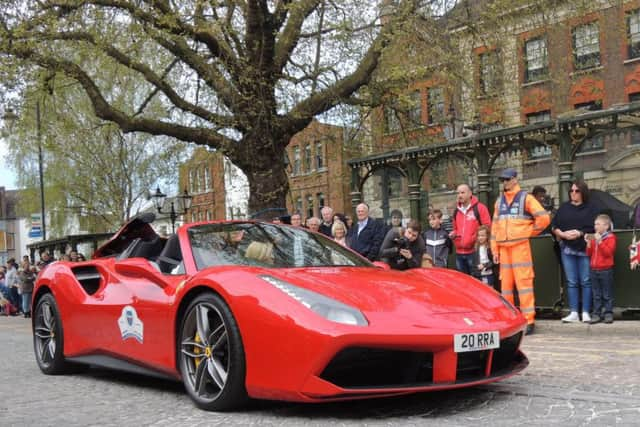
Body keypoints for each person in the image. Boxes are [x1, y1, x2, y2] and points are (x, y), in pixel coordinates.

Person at [491, 168, 550, 335]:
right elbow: (495, 227)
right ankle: (510, 320)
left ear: (515, 180)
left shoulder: (526, 198)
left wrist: (528, 233)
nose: (505, 183)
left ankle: (529, 320)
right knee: (506, 287)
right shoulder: (499, 201)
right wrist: (494, 249)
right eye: (503, 180)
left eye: (507, 179)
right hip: (504, 249)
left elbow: (544, 218)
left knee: (524, 284)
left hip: (519, 247)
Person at [552, 179, 599, 324]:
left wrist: (580, 233)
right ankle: (573, 312)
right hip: (567, 248)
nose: (573, 193)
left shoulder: (592, 208)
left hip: (585, 248)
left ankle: (585, 312)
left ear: (583, 192)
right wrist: (562, 234)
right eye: (571, 191)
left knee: (585, 281)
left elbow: (596, 229)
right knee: (571, 281)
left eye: (576, 191)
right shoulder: (564, 208)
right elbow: (553, 225)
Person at [450, 184, 491, 275]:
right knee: (463, 281)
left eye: (462, 192)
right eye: (458, 193)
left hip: (475, 252)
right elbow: (455, 229)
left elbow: (487, 227)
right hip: (459, 253)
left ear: (470, 193)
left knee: (476, 280)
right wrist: (454, 234)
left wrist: (473, 238)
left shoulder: (480, 208)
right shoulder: (456, 210)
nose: (459, 195)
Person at [585, 214, 617, 324]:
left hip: (606, 270)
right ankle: (596, 314)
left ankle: (608, 313)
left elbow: (608, 253)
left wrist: (600, 242)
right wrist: (589, 243)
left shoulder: (611, 237)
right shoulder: (594, 237)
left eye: (598, 224)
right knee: (596, 294)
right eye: (595, 224)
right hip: (593, 269)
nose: (595, 226)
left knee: (607, 294)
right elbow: (589, 254)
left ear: (606, 226)